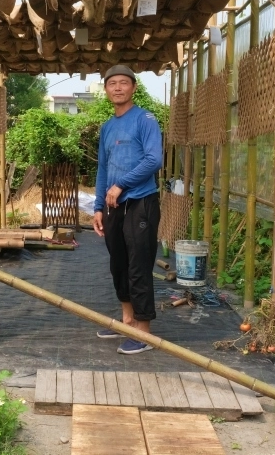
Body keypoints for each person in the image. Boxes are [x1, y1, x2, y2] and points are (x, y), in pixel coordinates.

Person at [92, 64, 163, 354]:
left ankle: (143, 334)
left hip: (141, 202)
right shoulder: (108, 127)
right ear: (106, 89)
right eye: (113, 83)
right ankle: (126, 321)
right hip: (113, 205)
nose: (118, 87)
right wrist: (98, 206)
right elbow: (102, 168)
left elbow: (153, 160)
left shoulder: (145, 120)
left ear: (134, 87)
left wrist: (121, 184)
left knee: (139, 265)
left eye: (124, 83)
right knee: (118, 263)